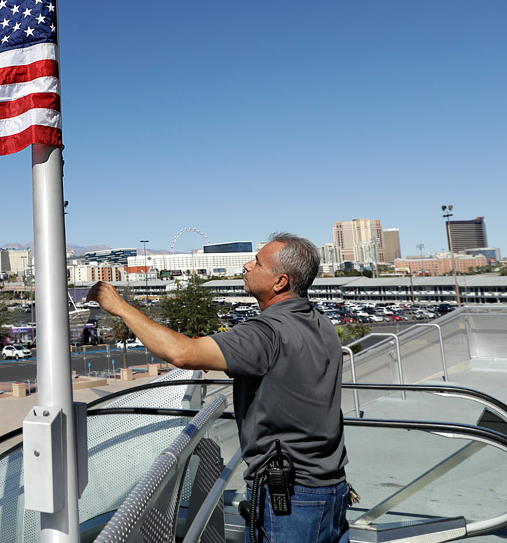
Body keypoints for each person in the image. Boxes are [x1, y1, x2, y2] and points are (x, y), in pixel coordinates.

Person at [87, 232, 349, 543]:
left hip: (291, 500)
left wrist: (119, 306)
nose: (246, 265)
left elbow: (181, 353)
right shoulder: (318, 321)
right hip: (332, 489)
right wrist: (225, 359)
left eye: (258, 262)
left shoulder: (267, 333)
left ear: (280, 282)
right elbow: (286, 372)